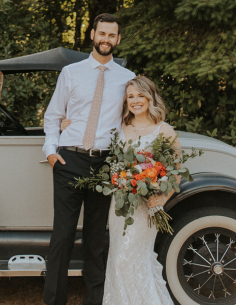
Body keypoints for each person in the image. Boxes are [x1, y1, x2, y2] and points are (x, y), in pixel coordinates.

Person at [42, 13, 135, 305]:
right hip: (70, 161)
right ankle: (55, 300)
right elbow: (53, 116)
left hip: (106, 164)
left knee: (96, 237)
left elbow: (133, 119)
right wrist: (51, 153)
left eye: (112, 35)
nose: (106, 39)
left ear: (118, 40)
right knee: (63, 235)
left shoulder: (128, 79)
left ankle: (95, 299)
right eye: (102, 33)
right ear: (92, 34)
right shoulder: (71, 73)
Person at [61, 76, 178, 304]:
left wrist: (161, 197)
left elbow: (176, 174)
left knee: (131, 259)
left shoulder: (165, 131)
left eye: (140, 96)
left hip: (146, 207)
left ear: (150, 97)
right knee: (117, 259)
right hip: (121, 204)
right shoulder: (121, 126)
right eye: (130, 97)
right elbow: (92, 125)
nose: (135, 101)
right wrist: (66, 123)